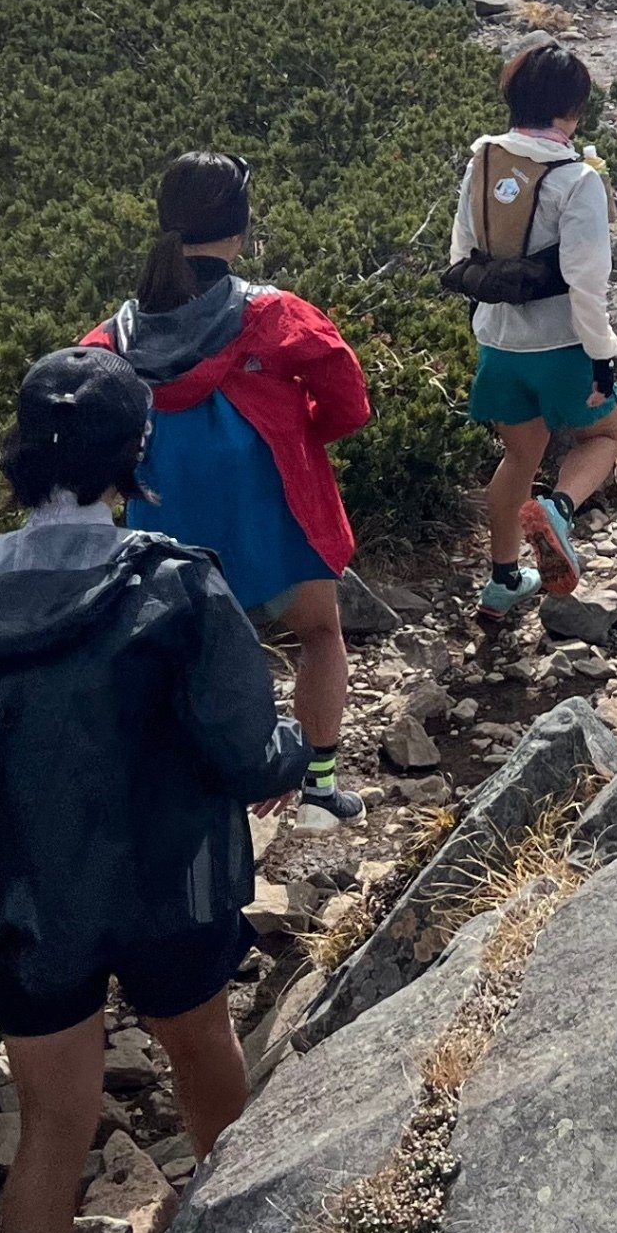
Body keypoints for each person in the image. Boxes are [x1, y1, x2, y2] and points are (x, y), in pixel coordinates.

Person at [0, 350, 309, 1233]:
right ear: (137, 451)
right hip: (169, 880)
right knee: (202, 1051)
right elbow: (243, 749)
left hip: (25, 889)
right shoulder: (174, 583)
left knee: (52, 1124)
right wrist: (292, 756)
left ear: (21, 453)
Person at [81, 151, 373, 818]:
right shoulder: (275, 316)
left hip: (170, 529)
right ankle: (317, 786)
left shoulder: (114, 337)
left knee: (196, 662)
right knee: (320, 637)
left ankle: (212, 788)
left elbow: (88, 416)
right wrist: (301, 434)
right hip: (275, 516)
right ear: (239, 232)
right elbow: (348, 404)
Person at [456, 39, 617, 616]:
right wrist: (602, 354)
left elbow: (464, 252)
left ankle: (503, 580)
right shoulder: (576, 178)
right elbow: (586, 279)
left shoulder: (481, 161)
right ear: (571, 111)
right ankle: (559, 510)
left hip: (498, 341)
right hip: (562, 344)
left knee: (519, 454)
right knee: (601, 438)